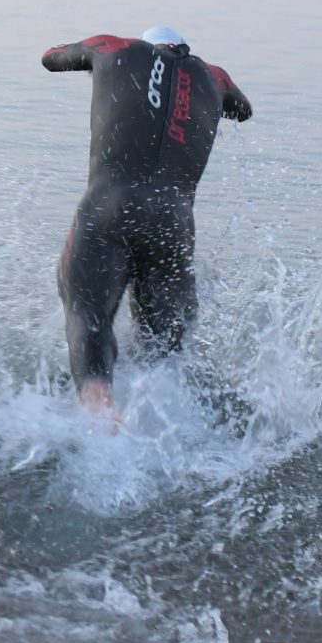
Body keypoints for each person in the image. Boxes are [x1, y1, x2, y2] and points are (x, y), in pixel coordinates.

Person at [41, 25, 254, 414]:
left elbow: (50, 58)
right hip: (173, 228)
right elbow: (243, 110)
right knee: (166, 359)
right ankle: (165, 429)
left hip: (109, 211)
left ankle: (99, 414)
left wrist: (99, 67)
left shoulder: (112, 48)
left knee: (87, 318)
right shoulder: (215, 77)